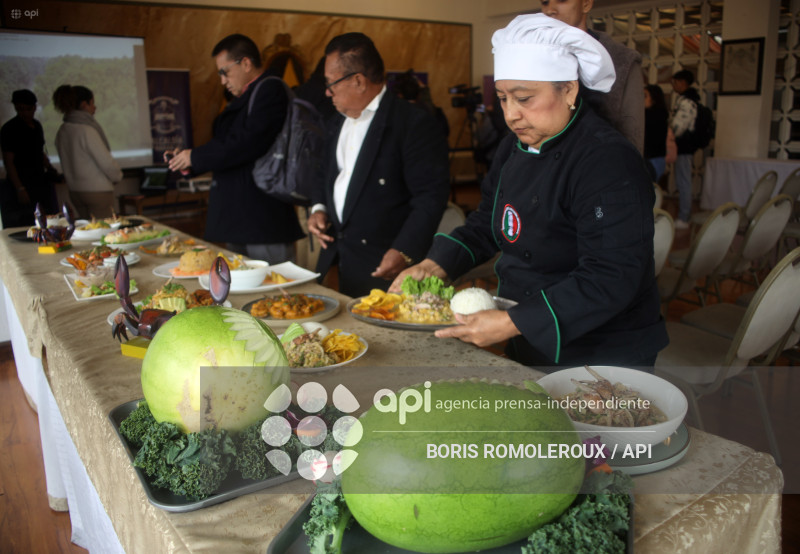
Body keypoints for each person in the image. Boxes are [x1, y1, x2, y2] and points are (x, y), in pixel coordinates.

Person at [390, 14, 668, 370]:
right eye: (503, 98)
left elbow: (611, 274)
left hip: (603, 350)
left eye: (524, 98)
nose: (511, 115)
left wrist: (512, 322)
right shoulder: (513, 148)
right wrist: (436, 264)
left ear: (569, 90)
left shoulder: (607, 161)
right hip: (529, 333)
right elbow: (488, 223)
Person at [306, 32, 450, 297]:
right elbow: (323, 173)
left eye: (331, 84)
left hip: (387, 264)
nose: (327, 92)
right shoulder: (335, 121)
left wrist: (404, 250)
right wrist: (318, 208)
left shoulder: (412, 123)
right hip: (341, 257)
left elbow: (430, 197)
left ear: (358, 81)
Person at [167, 33, 303, 262]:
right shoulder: (249, 95)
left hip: (262, 217)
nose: (223, 81)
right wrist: (188, 161)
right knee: (241, 281)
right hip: (241, 216)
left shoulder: (269, 89)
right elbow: (229, 143)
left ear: (246, 63)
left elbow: (247, 142)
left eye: (225, 72)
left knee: (273, 281)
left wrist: (196, 157)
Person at [541, 0, 644, 154]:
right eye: (544, 2)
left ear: (586, 4)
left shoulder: (621, 60)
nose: (550, 10)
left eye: (562, 0)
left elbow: (633, 138)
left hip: (603, 161)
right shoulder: (533, 56)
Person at [53, 85, 122, 219]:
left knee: (87, 228)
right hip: (97, 191)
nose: (94, 108)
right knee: (103, 229)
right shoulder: (86, 130)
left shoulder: (62, 130)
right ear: (84, 105)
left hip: (75, 191)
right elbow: (105, 162)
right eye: (92, 103)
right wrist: (117, 176)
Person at [1, 89, 58, 223]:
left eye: (28, 109)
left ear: (34, 107)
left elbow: (39, 151)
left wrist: (50, 168)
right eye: (20, 109)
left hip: (40, 182)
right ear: (16, 108)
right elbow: (9, 162)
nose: (25, 113)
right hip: (22, 183)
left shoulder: (37, 125)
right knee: (26, 220)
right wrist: (20, 188)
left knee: (48, 219)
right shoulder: (9, 129)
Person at [670, 69, 701, 229]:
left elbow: (678, 127)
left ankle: (684, 216)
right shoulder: (688, 99)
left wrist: (668, 135)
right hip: (684, 147)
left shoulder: (687, 102)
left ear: (683, 83)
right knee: (683, 180)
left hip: (684, 147)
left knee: (684, 181)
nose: (673, 85)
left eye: (675, 82)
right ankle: (684, 214)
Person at [644, 84, 670, 182]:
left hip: (652, 160)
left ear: (654, 99)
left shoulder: (651, 117)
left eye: (645, 96)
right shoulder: (661, 115)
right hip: (657, 160)